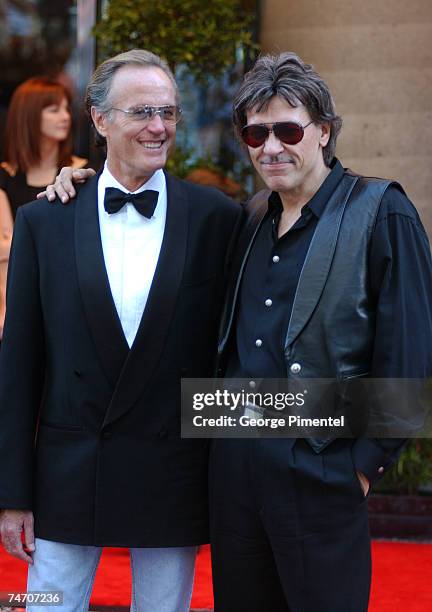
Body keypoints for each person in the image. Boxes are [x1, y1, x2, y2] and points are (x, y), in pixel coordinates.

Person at [37, 52, 432, 612]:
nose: (271, 146)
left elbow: (409, 358)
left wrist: (360, 470)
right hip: (234, 482)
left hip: (321, 476)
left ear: (323, 131)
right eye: (256, 132)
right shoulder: (244, 219)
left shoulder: (380, 211)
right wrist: (82, 186)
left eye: (289, 129)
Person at [0, 49, 240, 612]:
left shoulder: (218, 218)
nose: (159, 126)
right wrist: (12, 494)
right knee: (41, 607)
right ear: (100, 119)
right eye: (141, 112)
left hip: (172, 469)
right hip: (67, 471)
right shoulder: (45, 220)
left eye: (169, 112)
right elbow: (19, 366)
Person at [0, 76, 86, 338]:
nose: (65, 116)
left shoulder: (82, 173)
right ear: (28, 116)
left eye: (65, 108)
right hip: (14, 303)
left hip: (67, 302)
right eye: (53, 110)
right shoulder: (5, 176)